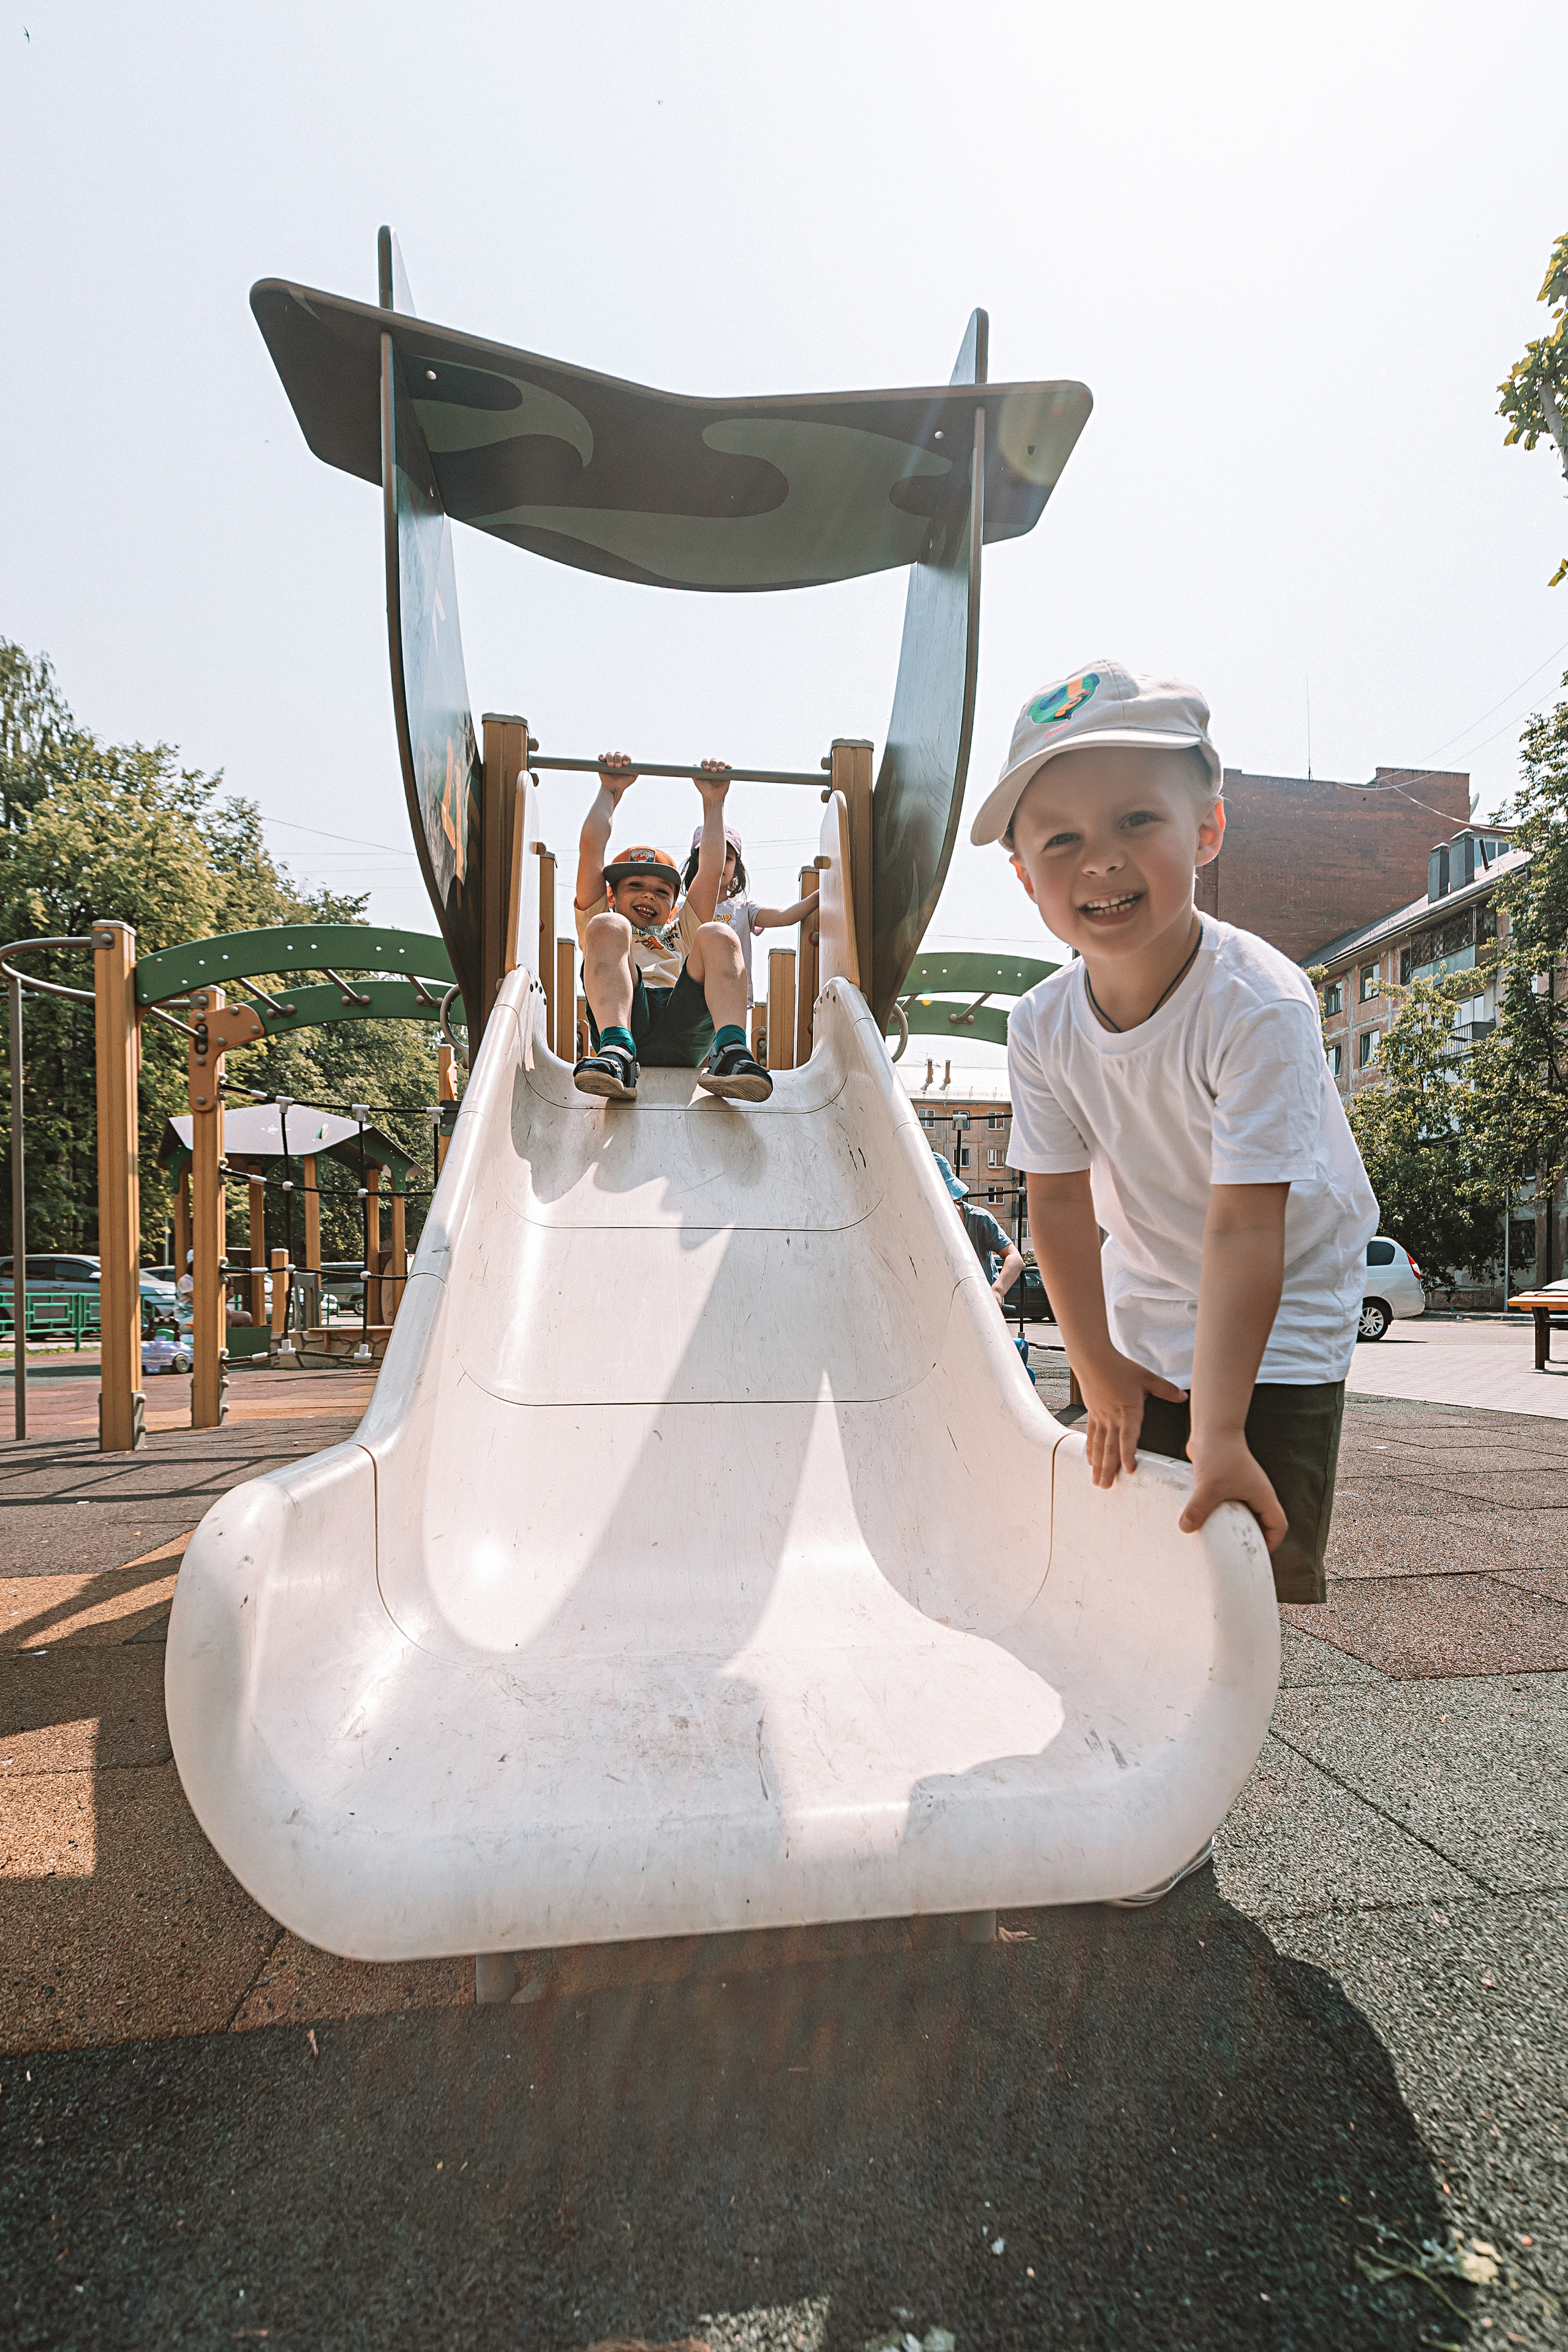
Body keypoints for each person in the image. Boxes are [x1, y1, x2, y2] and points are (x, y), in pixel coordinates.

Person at [971, 660, 1378, 1605]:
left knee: (1240, 1560)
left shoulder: (1258, 1001)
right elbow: (1059, 1203)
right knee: (1124, 1545)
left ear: (1207, 830)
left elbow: (1246, 1226)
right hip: (1147, 1294)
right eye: (1062, 840)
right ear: (1026, 876)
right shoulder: (1040, 1023)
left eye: (1136, 822)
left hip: (1279, 1312)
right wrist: (1098, 1365)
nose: (1101, 860)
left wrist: (1225, 1430)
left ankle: (1232, 1720)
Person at [571, 755, 773, 1104]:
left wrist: (714, 802)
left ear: (672, 906)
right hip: (626, 1016)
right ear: (612, 895)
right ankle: (618, 1052)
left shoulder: (681, 931)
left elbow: (709, 869)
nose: (648, 894)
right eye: (634, 885)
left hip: (685, 1024)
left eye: (662, 892)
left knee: (719, 934)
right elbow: (591, 849)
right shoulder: (609, 923)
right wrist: (609, 791)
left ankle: (729, 1051)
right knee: (605, 927)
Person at [679, 824, 820, 1009]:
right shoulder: (682, 910)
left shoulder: (744, 910)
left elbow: (786, 917)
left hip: (730, 995)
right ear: (695, 862)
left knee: (727, 1036)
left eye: (726, 859)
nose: (718, 864)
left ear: (736, 869)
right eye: (710, 857)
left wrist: (819, 896)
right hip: (689, 994)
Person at [933, 1151, 1034, 1383]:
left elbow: (1015, 1259)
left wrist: (997, 1290)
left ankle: (1016, 1356)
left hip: (982, 1303)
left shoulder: (979, 1220)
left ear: (954, 1198)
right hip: (947, 1306)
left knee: (992, 1370)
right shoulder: (924, 1225)